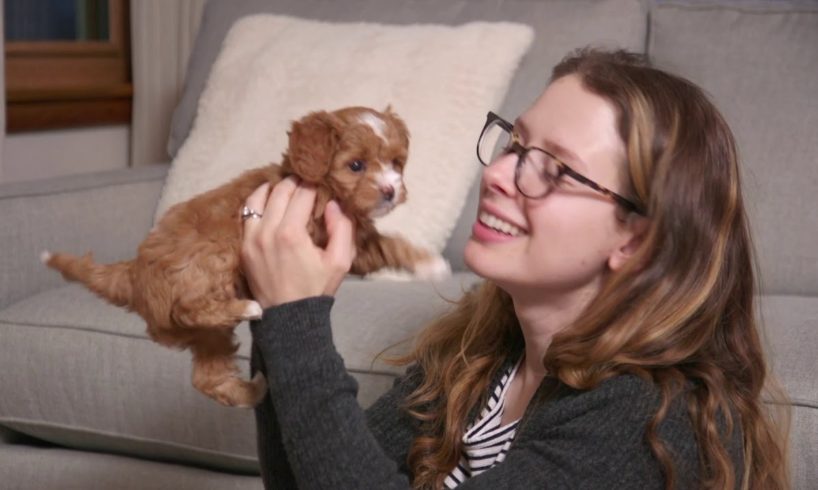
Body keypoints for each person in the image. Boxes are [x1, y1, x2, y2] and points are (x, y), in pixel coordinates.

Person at [239, 48, 789, 489]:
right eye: (515, 143)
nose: (500, 174)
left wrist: (298, 318)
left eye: (552, 167)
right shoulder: (479, 360)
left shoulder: (646, 423)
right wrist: (271, 303)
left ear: (636, 239)